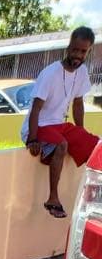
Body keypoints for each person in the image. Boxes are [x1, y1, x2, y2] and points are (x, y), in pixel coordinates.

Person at [22, 27, 99, 219]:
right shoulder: (50, 73)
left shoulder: (82, 73)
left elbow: (78, 103)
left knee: (96, 144)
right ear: (68, 47)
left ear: (88, 51)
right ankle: (52, 199)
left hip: (59, 125)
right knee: (62, 144)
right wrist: (31, 139)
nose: (78, 55)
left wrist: (81, 135)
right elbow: (35, 109)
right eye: (75, 49)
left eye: (83, 51)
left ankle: (94, 197)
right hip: (39, 125)